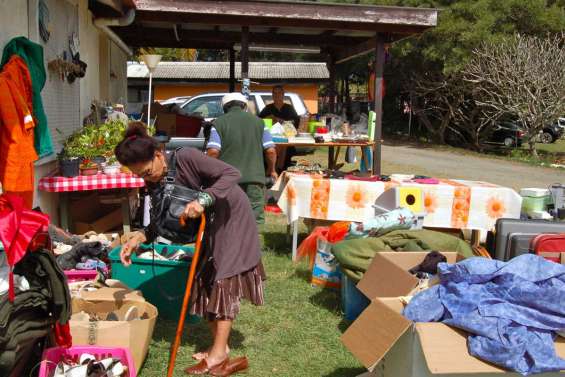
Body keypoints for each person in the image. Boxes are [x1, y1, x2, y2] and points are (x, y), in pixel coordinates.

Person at [115, 122, 264, 376]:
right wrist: (139, 237)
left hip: (231, 215)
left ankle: (217, 356)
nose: (146, 178)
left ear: (159, 155)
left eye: (148, 171)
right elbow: (161, 219)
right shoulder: (155, 179)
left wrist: (203, 199)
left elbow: (231, 174)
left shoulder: (186, 157)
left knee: (223, 278)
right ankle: (221, 348)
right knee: (204, 277)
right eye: (140, 175)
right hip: (211, 222)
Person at [206, 93, 277, 224]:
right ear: (244, 106)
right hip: (254, 180)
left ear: (224, 107)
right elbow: (271, 151)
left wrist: (209, 172)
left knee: (228, 218)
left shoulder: (218, 123)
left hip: (227, 180)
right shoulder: (260, 122)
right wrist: (271, 170)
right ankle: (253, 244)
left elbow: (213, 151)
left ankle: (229, 244)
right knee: (253, 220)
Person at [258, 86, 300, 172]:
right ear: (272, 95)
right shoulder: (268, 108)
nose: (277, 95)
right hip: (271, 138)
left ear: (283, 95)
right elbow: (259, 121)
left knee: (283, 146)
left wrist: (279, 120)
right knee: (269, 148)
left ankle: (278, 169)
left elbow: (295, 124)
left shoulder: (289, 108)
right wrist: (268, 118)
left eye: (279, 93)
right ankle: (272, 170)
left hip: (286, 138)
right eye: (274, 93)